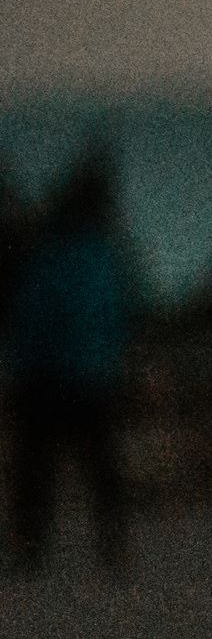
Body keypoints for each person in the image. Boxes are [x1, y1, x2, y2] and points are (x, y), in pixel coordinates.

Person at [7, 150, 140, 572]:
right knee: (100, 468)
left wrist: (20, 369)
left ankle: (31, 549)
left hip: (48, 378)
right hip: (90, 378)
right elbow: (118, 318)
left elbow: (29, 316)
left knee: (38, 468)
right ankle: (113, 547)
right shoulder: (101, 258)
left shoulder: (50, 255)